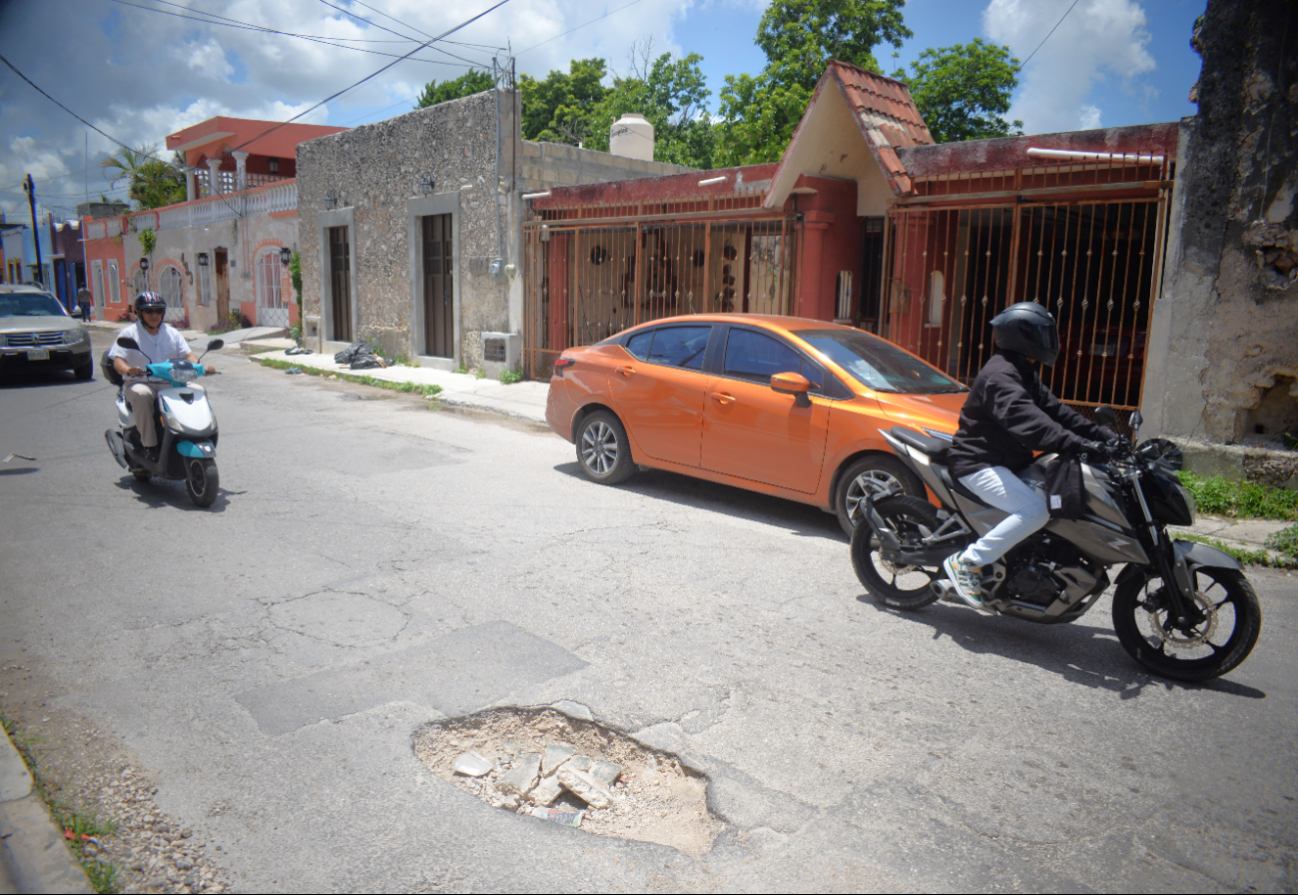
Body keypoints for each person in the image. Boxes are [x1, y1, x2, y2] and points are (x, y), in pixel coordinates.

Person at [942, 302, 1112, 610]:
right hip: (978, 463)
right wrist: (1076, 443)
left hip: (1008, 461)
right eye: (1041, 333)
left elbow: (1056, 412)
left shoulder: (1021, 369)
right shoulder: (1001, 376)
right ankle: (968, 562)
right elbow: (1031, 422)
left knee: (1054, 498)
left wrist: (1103, 436)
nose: (1048, 339)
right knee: (1036, 510)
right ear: (1020, 335)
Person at [108, 292, 215, 462]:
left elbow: (187, 355)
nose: (154, 315)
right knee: (142, 395)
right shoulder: (129, 334)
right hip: (141, 382)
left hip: (170, 383)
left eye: (158, 311)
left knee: (198, 391)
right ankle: (149, 446)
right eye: (148, 311)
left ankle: (198, 434)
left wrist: (202, 367)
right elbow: (118, 360)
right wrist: (128, 370)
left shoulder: (172, 333)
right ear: (139, 313)